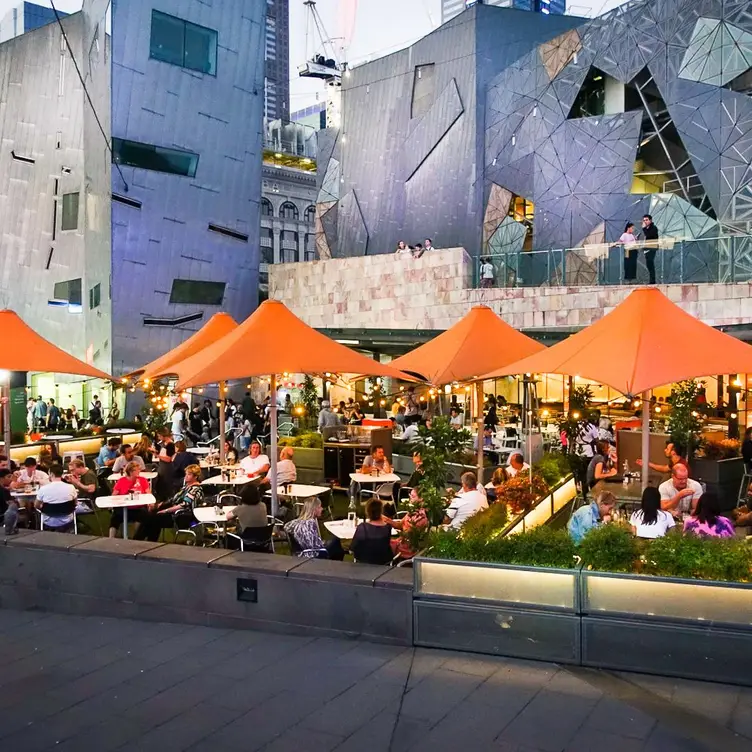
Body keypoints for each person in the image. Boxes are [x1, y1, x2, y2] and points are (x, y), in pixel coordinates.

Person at [138, 464, 204, 542]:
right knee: (150, 518)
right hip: (175, 512)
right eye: (186, 474)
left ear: (195, 477)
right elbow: (174, 499)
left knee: (152, 519)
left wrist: (166, 510)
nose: (186, 476)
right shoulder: (186, 486)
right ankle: (146, 542)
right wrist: (161, 504)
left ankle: (139, 540)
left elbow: (184, 505)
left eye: (189, 474)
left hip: (182, 516)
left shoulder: (195, 489)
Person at [110, 461, 150, 537]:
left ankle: (137, 538)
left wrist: (150, 503)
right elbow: (114, 495)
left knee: (143, 516)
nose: (139, 471)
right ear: (131, 472)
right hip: (123, 507)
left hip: (139, 507)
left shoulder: (143, 480)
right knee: (115, 518)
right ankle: (111, 539)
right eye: (137, 470)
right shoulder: (121, 481)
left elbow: (148, 493)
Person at [350, 499, 394, 565]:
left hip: (363, 560)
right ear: (381, 511)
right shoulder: (387, 527)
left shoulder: (362, 527)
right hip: (383, 562)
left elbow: (353, 548)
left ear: (367, 511)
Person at [35, 464, 77, 531]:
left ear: (51, 474)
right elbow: (75, 504)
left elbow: (36, 505)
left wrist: (45, 508)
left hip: (48, 521)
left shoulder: (43, 489)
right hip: (67, 520)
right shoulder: (71, 487)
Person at [390, 489, 429, 561]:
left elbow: (407, 534)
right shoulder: (412, 512)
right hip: (400, 542)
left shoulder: (420, 517)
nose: (410, 498)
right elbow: (399, 525)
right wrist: (385, 519)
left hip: (405, 549)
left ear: (421, 499)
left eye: (413, 496)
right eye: (410, 495)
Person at [153, 428, 177, 501]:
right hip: (162, 466)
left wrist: (157, 455)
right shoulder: (164, 444)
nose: (159, 438)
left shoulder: (170, 445)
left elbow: (168, 459)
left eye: (159, 436)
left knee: (166, 485)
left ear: (164, 435)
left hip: (167, 468)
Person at [641, 214, 659, 284]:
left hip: (652, 248)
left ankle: (652, 281)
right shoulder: (647, 229)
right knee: (648, 264)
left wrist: (644, 228)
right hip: (647, 248)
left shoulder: (653, 228)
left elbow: (648, 235)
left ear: (650, 220)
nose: (645, 221)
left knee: (650, 263)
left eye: (646, 220)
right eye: (644, 220)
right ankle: (651, 280)